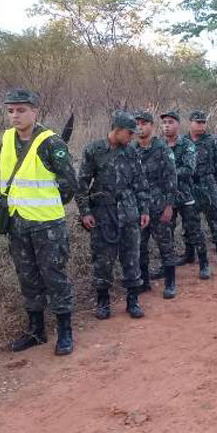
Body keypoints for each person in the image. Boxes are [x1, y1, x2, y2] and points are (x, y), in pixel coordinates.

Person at [0, 88, 78, 355]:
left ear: (35, 111)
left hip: (47, 225)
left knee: (54, 277)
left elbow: (69, 184)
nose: (15, 115)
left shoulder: (51, 142)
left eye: (21, 110)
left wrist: (47, 204)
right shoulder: (7, 138)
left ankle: (65, 332)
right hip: (17, 223)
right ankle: (36, 331)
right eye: (11, 110)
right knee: (28, 277)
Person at [77, 111, 150, 320]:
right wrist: (85, 212)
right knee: (102, 259)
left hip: (128, 212)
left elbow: (140, 183)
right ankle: (103, 302)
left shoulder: (131, 152)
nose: (132, 137)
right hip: (103, 213)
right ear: (117, 130)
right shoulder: (93, 150)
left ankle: (132, 301)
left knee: (131, 257)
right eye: (129, 133)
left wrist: (144, 210)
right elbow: (81, 184)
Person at [160, 111, 211, 280]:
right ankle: (166, 266)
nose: (166, 125)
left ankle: (204, 264)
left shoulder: (187, 145)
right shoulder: (159, 145)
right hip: (167, 198)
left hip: (185, 195)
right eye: (164, 122)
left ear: (178, 125)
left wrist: (168, 173)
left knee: (194, 230)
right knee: (166, 233)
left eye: (170, 122)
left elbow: (189, 169)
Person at [134, 110, 178, 299]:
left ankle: (170, 283)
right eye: (138, 123)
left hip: (159, 206)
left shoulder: (162, 148)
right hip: (139, 208)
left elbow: (171, 178)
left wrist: (169, 206)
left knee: (165, 245)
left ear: (151, 126)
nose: (140, 127)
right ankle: (143, 282)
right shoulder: (132, 150)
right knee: (139, 246)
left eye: (144, 123)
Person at [188, 110, 217, 269]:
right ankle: (190, 253)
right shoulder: (184, 141)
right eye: (198, 122)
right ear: (190, 123)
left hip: (208, 182)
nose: (201, 125)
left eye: (203, 122)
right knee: (191, 222)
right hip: (191, 185)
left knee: (215, 219)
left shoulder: (211, 141)